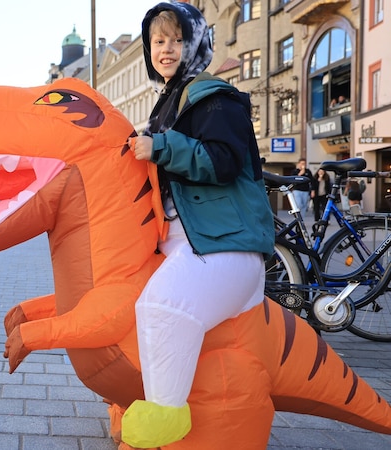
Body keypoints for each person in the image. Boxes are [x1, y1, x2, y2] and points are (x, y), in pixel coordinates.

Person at [124, 3, 274, 448]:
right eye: (158, 41)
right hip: (186, 240)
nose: (166, 49)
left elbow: (224, 162)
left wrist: (162, 146)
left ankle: (166, 421)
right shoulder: (168, 102)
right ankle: (137, 397)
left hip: (224, 244)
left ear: (195, 43)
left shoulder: (214, 97)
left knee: (162, 309)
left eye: (176, 39)